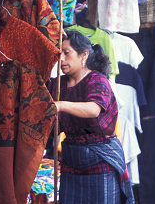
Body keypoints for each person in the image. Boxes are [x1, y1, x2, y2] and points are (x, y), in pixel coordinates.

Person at [50, 29, 134, 204]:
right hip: (71, 164)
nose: (62, 60)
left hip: (100, 164)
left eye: (67, 53)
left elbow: (94, 109)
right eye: (59, 54)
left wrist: (61, 105)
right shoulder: (59, 85)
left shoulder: (97, 80)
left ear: (84, 55)